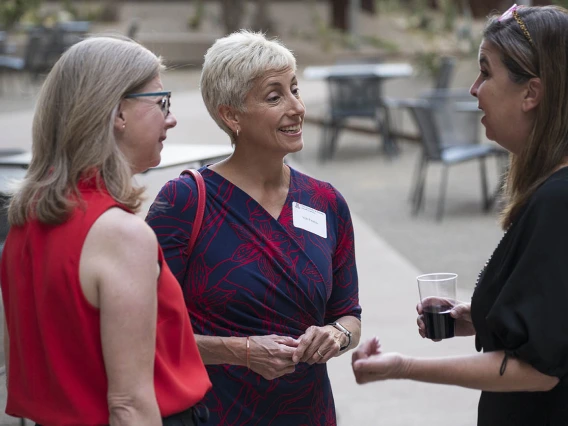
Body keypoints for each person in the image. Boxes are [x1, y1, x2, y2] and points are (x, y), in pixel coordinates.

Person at [351, 4, 568, 426]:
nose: (473, 89)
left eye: (486, 72)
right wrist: (480, 317)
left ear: (532, 93)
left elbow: (538, 370)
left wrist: (403, 367)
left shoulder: (558, 201)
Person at [146, 30, 361, 425]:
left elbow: (348, 314)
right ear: (231, 116)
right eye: (274, 96)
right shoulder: (185, 202)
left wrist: (337, 336)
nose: (297, 107)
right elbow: (145, 334)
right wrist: (239, 350)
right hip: (215, 413)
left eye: (295, 89)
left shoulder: (326, 202)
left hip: (310, 413)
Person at [0, 36, 211, 426]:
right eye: (162, 101)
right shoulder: (119, 234)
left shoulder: (24, 222)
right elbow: (129, 406)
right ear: (118, 113)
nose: (171, 118)